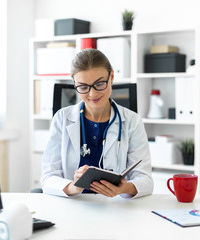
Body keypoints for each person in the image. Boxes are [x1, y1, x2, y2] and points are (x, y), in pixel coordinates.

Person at [41, 48, 153, 199]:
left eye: (99, 84)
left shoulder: (132, 121)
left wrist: (125, 188)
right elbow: (48, 177)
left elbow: (146, 180)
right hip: (74, 205)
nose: (93, 94)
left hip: (115, 207)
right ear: (74, 84)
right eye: (83, 87)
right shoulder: (62, 119)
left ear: (111, 77)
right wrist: (73, 187)